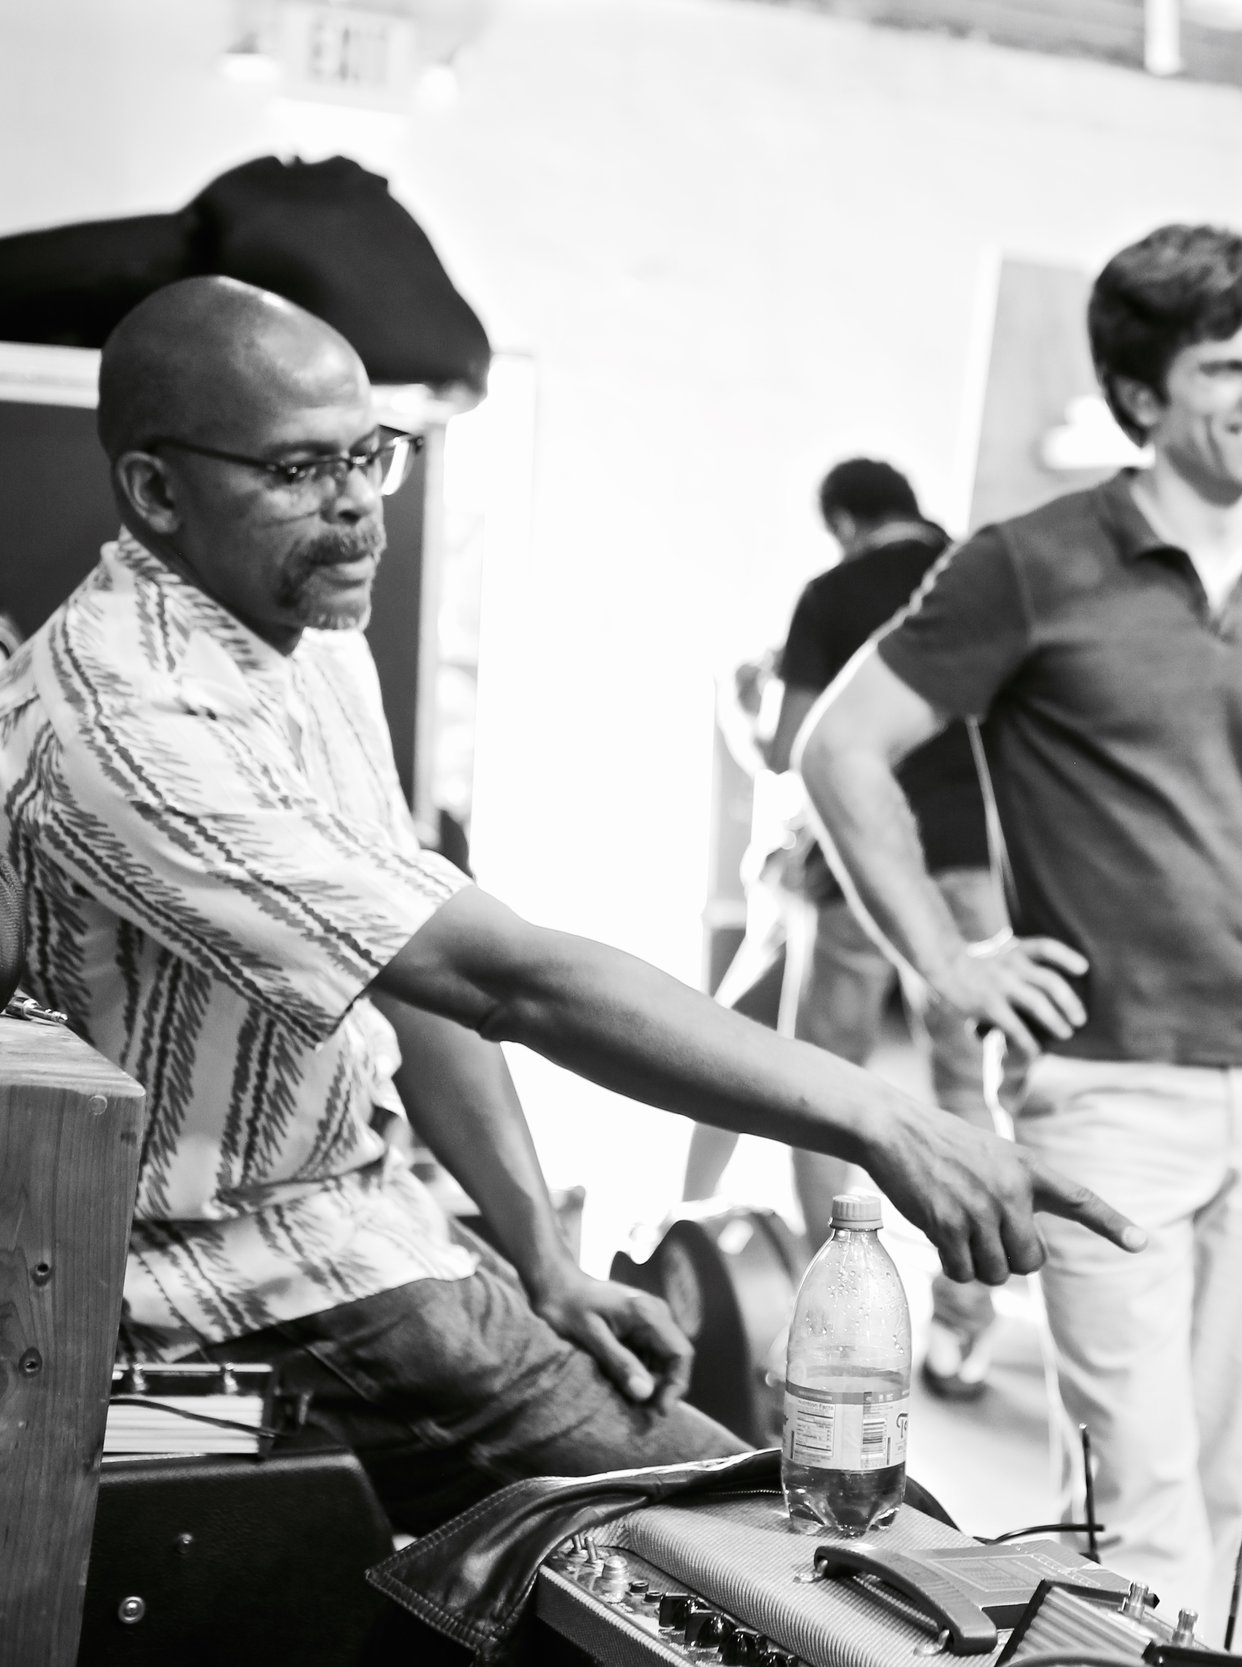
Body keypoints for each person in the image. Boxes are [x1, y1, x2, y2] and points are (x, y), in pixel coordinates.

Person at [0, 276, 1139, 1535]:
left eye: (372, 456)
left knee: (814, 1525)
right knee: (825, 1541)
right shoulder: (130, 719)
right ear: (157, 491)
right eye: (296, 470)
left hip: (378, 1232)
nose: (359, 508)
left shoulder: (303, 630)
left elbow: (404, 964)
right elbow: (507, 980)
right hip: (245, 1296)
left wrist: (541, 1252)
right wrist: (883, 1118)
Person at [800, 224, 1242, 1615]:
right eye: (1229, 365)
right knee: (1135, 1505)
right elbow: (839, 747)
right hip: (1102, 1090)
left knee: (1230, 1489)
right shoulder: (1029, 565)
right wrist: (943, 959)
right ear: (1145, 394)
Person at [685, 456, 1007, 1398]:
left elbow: (790, 748)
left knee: (825, 1081)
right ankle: (965, 1325)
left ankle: (831, 1316)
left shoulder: (832, 593)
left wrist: (735, 708)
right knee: (968, 1083)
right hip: (976, 863)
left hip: (866, 867)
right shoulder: (978, 575)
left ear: (843, 522)